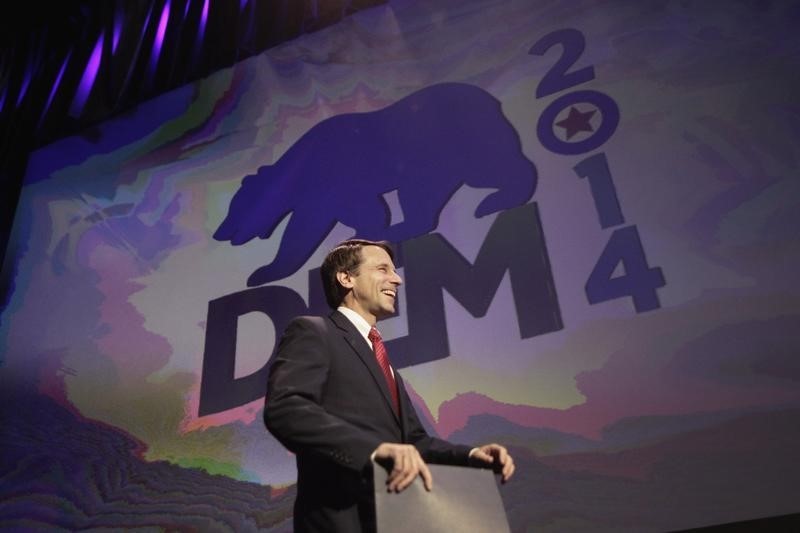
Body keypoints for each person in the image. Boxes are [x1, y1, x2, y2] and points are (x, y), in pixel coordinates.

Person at [264, 239, 515, 532]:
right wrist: (372, 450)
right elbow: (286, 408)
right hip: (343, 520)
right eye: (382, 269)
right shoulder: (313, 331)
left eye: (394, 271)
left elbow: (414, 444)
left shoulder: (384, 362)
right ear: (346, 278)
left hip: (397, 519)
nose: (397, 279)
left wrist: (472, 456)